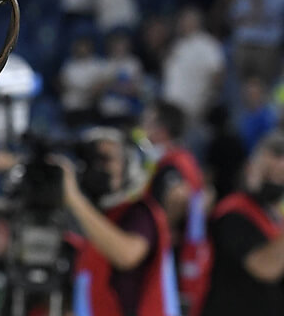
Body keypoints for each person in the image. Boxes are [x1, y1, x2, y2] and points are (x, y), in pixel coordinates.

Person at [57, 127, 180, 316]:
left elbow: (126, 255)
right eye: (92, 158)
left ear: (129, 165)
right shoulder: (97, 217)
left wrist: (74, 199)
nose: (98, 167)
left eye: (106, 159)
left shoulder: (140, 212)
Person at [196, 129, 284, 315]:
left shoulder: (273, 217)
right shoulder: (233, 214)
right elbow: (265, 267)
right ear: (249, 167)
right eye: (267, 172)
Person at [142, 100, 208, 311]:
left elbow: (180, 196)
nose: (143, 127)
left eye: (148, 122)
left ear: (161, 130)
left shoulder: (173, 163)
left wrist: (163, 230)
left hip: (173, 256)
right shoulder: (185, 158)